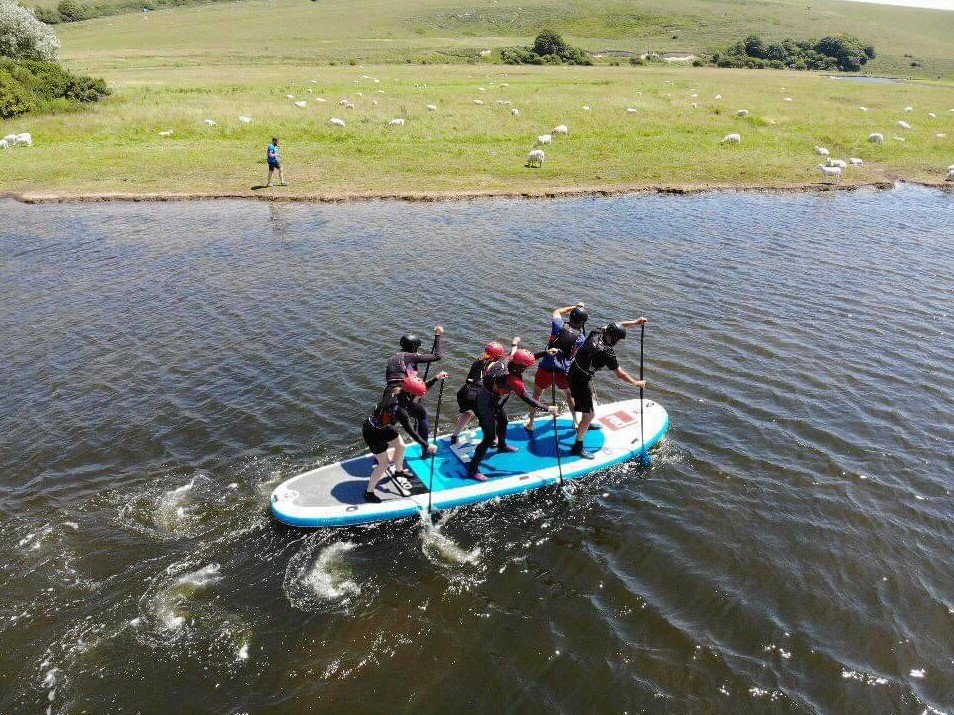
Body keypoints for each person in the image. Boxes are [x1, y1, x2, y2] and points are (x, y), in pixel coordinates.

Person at [467, 348, 559, 482]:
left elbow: (520, 357)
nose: (527, 369)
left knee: (503, 421)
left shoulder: (507, 361)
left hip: (491, 399)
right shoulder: (514, 381)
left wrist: (545, 353)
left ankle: (502, 446)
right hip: (484, 402)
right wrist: (548, 408)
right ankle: (472, 470)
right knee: (489, 437)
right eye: (527, 367)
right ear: (521, 368)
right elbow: (529, 400)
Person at [567, 319, 648, 459]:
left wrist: (636, 322)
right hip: (580, 380)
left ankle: (586, 424)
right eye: (619, 339)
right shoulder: (606, 352)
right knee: (589, 414)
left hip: (574, 370)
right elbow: (620, 374)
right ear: (615, 338)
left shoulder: (596, 333)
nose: (620, 342)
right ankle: (578, 446)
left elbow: (618, 325)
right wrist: (636, 383)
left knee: (590, 398)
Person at [362, 374, 447, 503]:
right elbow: (412, 433)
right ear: (411, 395)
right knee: (383, 464)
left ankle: (398, 471)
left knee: (401, 446)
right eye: (419, 397)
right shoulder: (400, 410)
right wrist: (427, 445)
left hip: (383, 426)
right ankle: (369, 493)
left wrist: (436, 378)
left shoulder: (399, 391)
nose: (421, 398)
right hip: (372, 432)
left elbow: (418, 388)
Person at [525, 303, 589, 433]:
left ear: (571, 316)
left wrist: (574, 306)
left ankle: (531, 424)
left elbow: (557, 311)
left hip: (546, 367)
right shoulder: (581, 338)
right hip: (563, 371)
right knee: (569, 395)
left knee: (536, 395)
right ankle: (576, 422)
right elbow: (575, 355)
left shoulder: (558, 325)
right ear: (582, 322)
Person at [449, 337, 520, 444]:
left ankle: (455, 436)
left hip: (464, 393)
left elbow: (468, 379)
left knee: (468, 412)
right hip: (478, 396)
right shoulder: (498, 366)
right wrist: (514, 344)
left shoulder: (477, 362)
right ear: (499, 356)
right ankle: (493, 440)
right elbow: (511, 356)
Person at [385, 326, 444, 440]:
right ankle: (425, 448)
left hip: (389, 394)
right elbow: (437, 356)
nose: (417, 351)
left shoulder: (393, 358)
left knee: (390, 420)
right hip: (402, 393)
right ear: (413, 348)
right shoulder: (410, 355)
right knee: (422, 414)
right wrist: (438, 335)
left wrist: (436, 378)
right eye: (417, 348)